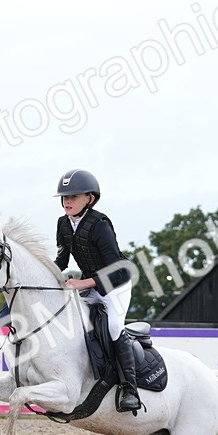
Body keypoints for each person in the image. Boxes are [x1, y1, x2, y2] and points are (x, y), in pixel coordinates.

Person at [52, 168, 139, 413]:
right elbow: (61, 260)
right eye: (65, 197)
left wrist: (83, 283)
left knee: (113, 327)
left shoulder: (100, 224)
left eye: (74, 196)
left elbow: (116, 268)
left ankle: (129, 388)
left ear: (90, 198)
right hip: (89, 283)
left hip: (116, 285)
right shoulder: (63, 223)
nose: (67, 201)